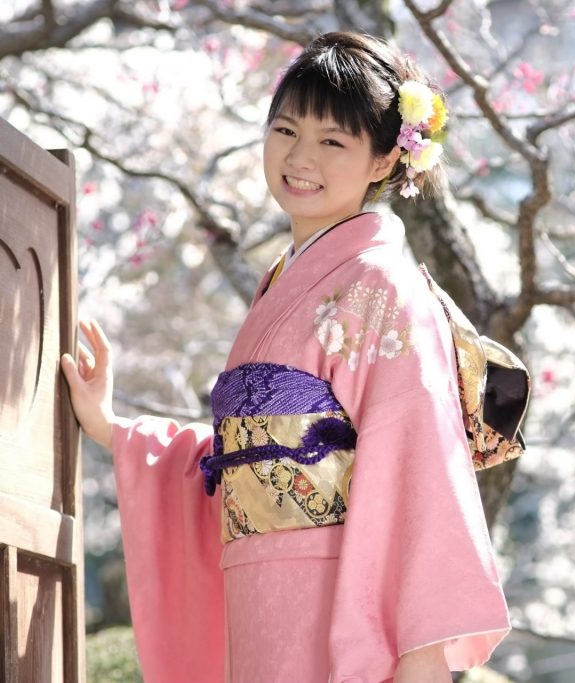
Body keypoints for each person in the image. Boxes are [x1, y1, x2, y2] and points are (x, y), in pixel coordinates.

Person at [61, 32, 510, 683]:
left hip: (332, 603)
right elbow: (238, 462)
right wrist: (114, 428)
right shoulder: (284, 280)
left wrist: (419, 664)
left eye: (334, 141)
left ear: (385, 159)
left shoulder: (381, 287)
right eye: (286, 129)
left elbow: (419, 476)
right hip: (259, 596)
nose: (300, 157)